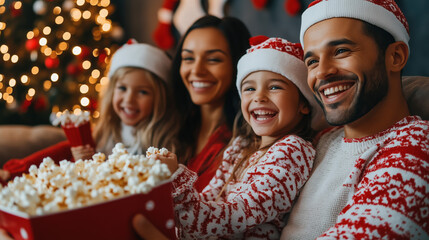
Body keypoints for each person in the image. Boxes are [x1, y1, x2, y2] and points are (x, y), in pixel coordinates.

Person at [146, 36, 325, 239]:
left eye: (275, 87)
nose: (259, 97)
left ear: (304, 104)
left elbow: (239, 214)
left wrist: (176, 179)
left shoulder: (293, 150)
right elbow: (209, 198)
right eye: (249, 88)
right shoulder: (240, 146)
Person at [281, 0, 429, 239]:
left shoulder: (417, 146)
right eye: (312, 61)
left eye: (340, 51)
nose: (321, 72)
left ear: (396, 56)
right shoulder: (315, 144)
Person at [0, 40, 178, 183]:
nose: (129, 100)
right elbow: (78, 177)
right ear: (111, 92)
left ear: (160, 99)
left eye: (143, 92)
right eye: (122, 88)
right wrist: (79, 162)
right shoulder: (104, 132)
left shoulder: (164, 141)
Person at [169, 15, 251, 192]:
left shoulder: (246, 145)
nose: (197, 71)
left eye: (213, 59)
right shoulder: (171, 130)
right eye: (188, 58)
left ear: (238, 65)